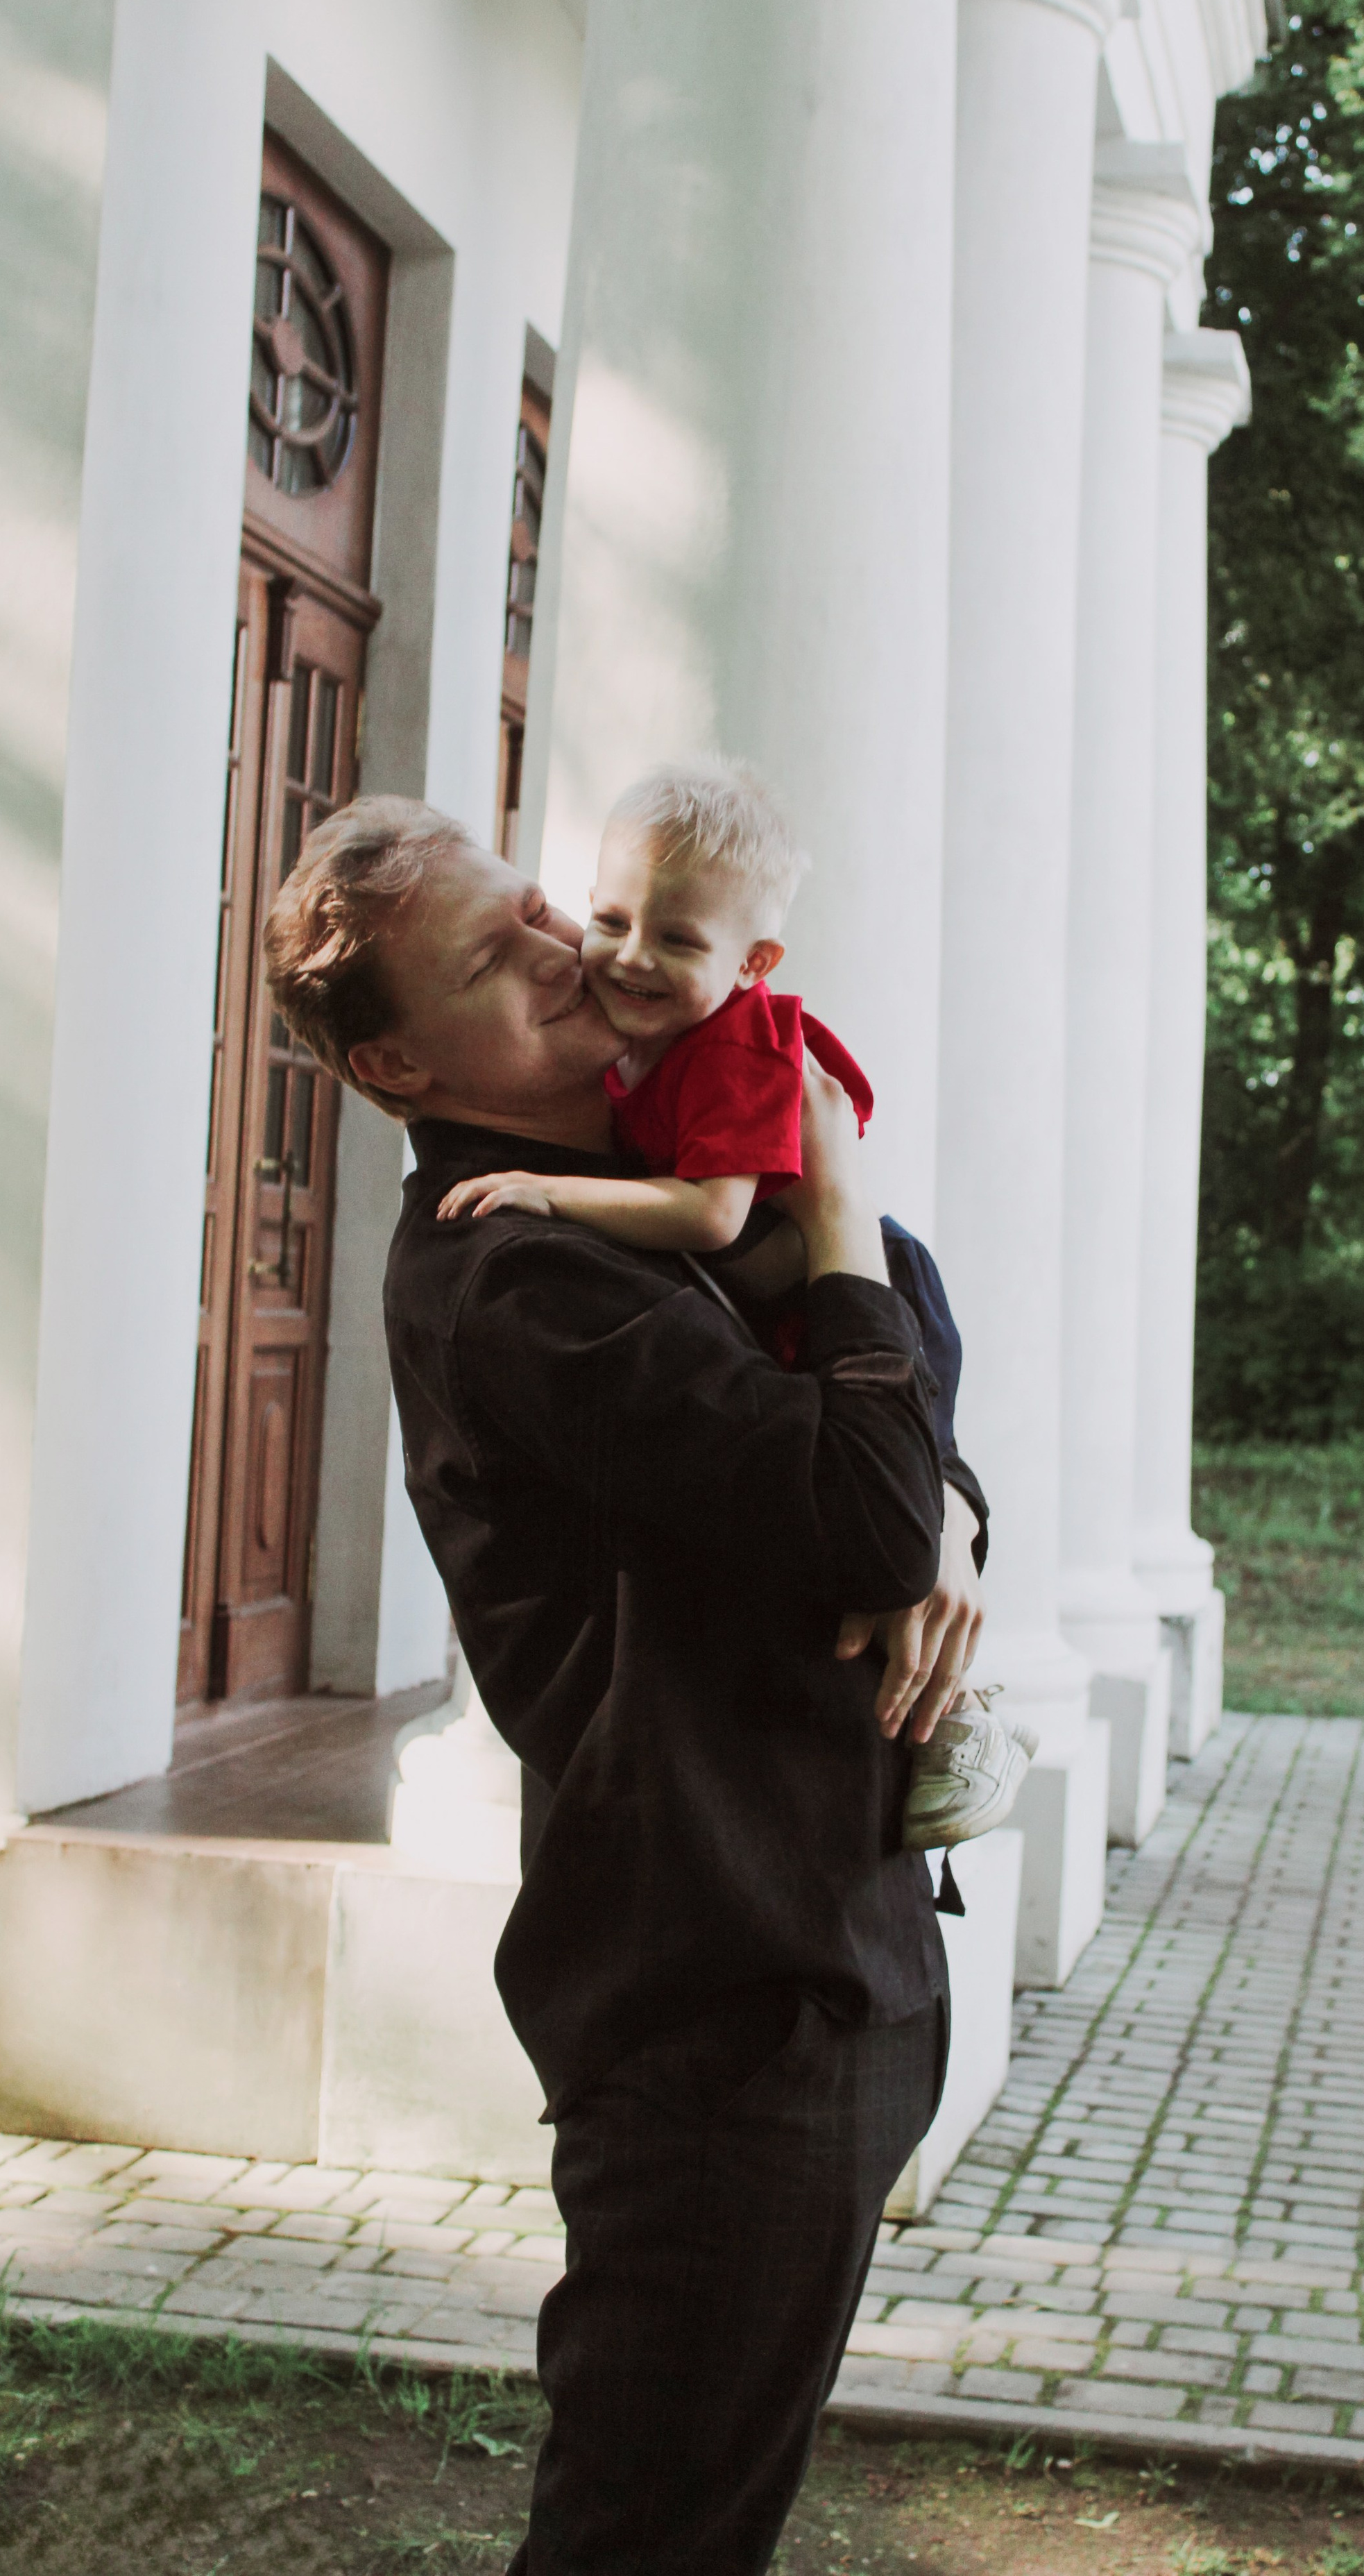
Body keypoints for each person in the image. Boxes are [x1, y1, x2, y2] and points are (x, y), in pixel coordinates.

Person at [261, 793, 990, 2576]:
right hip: (722, 2010)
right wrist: (838, 1201)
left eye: (540, 908)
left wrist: (949, 1519)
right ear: (395, 1070)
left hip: (823, 1953)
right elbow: (854, 1484)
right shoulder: (517, 1268)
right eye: (495, 960)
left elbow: (905, 1337)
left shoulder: (651, 1181)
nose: (565, 949)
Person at [433, 755, 1034, 1854]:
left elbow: (713, 1217)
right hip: (790, 1306)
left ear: (754, 961)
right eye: (609, 918)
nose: (624, 955)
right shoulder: (644, 1044)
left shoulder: (745, 1046)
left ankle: (965, 1725)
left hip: (838, 1303)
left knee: (888, 1523)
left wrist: (548, 1192)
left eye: (677, 940)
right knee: (882, 1533)